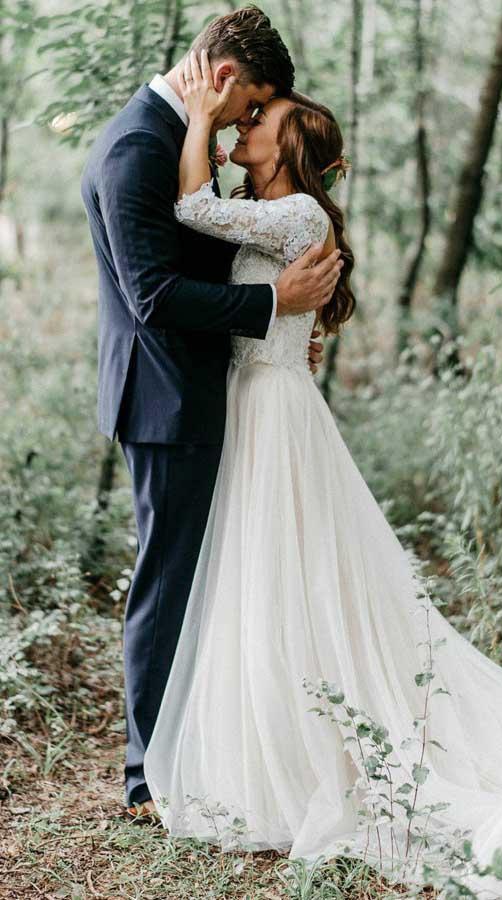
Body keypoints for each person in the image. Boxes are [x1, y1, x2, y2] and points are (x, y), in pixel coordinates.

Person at [142, 48, 502, 898]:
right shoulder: (270, 211)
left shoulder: (301, 220)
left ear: (292, 149)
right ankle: (264, 734)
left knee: (283, 578)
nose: (247, 125)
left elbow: (187, 208)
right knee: (257, 580)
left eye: (260, 122)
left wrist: (197, 118)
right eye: (245, 117)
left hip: (273, 415)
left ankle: (309, 747)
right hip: (253, 404)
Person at [80, 6, 343, 817]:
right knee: (170, 584)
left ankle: (193, 748)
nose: (242, 123)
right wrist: (272, 305)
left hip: (202, 389)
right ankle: (146, 778)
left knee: (202, 580)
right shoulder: (138, 148)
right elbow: (153, 296)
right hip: (167, 399)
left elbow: (212, 244)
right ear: (223, 79)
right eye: (250, 104)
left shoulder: (170, 139)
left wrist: (286, 323)